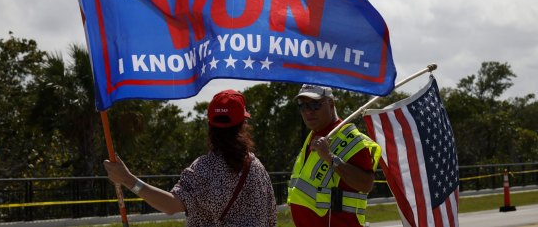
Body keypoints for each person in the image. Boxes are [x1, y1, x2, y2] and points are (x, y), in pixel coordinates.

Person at [104, 89, 277, 227]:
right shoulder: (258, 169)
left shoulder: (203, 169)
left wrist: (127, 179)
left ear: (210, 126)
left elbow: (170, 205)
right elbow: (271, 218)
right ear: (243, 125)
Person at [287, 84, 381, 227]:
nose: (308, 112)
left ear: (331, 104)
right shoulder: (312, 136)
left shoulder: (352, 139)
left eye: (314, 105)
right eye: (303, 106)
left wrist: (330, 158)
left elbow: (366, 184)